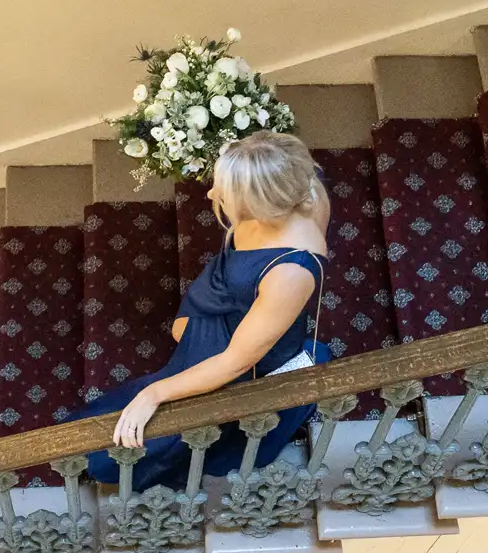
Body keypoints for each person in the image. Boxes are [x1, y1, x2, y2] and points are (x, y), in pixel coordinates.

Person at [71, 131, 330, 492]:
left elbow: (235, 362)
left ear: (263, 203)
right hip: (233, 296)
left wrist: (153, 395)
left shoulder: (291, 273)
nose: (211, 195)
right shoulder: (302, 185)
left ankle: (125, 463)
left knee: (173, 424)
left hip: (242, 348)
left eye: (226, 194)